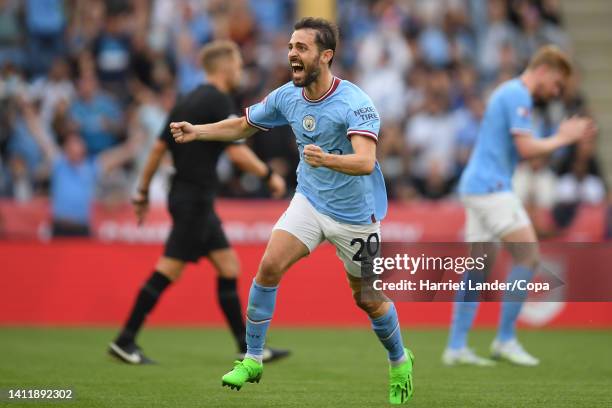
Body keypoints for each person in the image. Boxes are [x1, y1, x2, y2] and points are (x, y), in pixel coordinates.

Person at [171, 18, 415, 405]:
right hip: (310, 202)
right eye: (290, 46)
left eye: (301, 48)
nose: (292, 55)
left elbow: (366, 161)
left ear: (326, 55)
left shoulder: (356, 103)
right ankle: (252, 358)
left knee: (367, 299)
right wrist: (198, 131)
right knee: (268, 267)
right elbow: (243, 126)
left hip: (357, 216)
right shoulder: (287, 96)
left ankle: (399, 359)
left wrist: (327, 159)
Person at [109, 41, 289, 365]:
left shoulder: (186, 101)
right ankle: (125, 340)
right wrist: (268, 175)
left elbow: (157, 149)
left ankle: (248, 347)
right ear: (223, 67)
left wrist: (142, 192)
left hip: (190, 197)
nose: (239, 71)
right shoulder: (217, 100)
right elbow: (235, 148)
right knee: (168, 269)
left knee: (228, 266)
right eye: (236, 64)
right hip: (194, 200)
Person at [443, 45, 597, 366]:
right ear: (543, 70)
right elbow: (527, 149)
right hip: (491, 188)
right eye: (556, 83)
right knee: (528, 254)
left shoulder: (510, 94)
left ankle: (456, 346)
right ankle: (505, 339)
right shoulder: (518, 95)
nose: (555, 92)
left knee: (478, 268)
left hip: (476, 186)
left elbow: (527, 149)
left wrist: (555, 139)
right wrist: (563, 138)